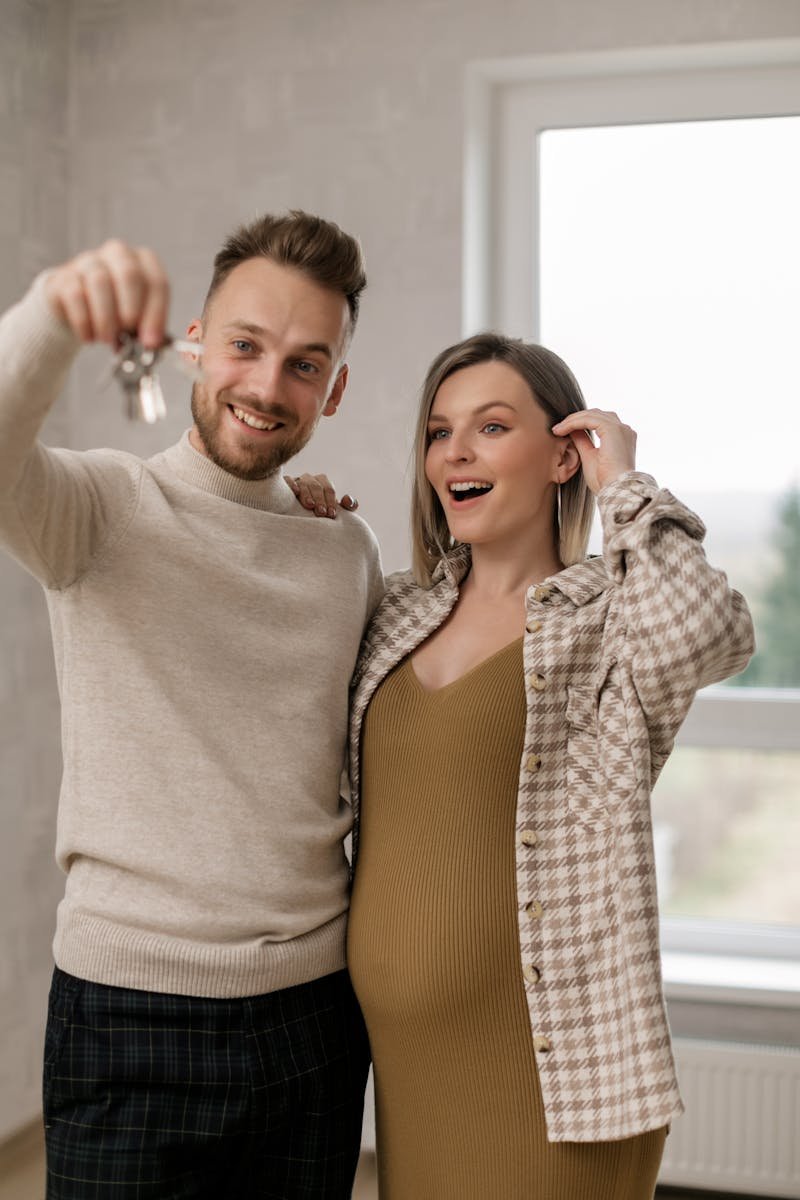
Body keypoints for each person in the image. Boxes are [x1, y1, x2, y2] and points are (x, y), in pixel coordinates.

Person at [0, 212, 384, 1199]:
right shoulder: (97, 510)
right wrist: (51, 309)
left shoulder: (345, 550)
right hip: (128, 1013)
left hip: (314, 1019)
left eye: (305, 364)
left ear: (333, 389)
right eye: (245, 346)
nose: (266, 385)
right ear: (193, 345)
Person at [339, 332, 754, 1199]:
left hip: (556, 1071)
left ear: (562, 455)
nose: (455, 451)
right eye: (438, 431)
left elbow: (711, 633)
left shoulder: (604, 620)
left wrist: (624, 487)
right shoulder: (397, 612)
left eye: (491, 427)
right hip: (410, 1068)